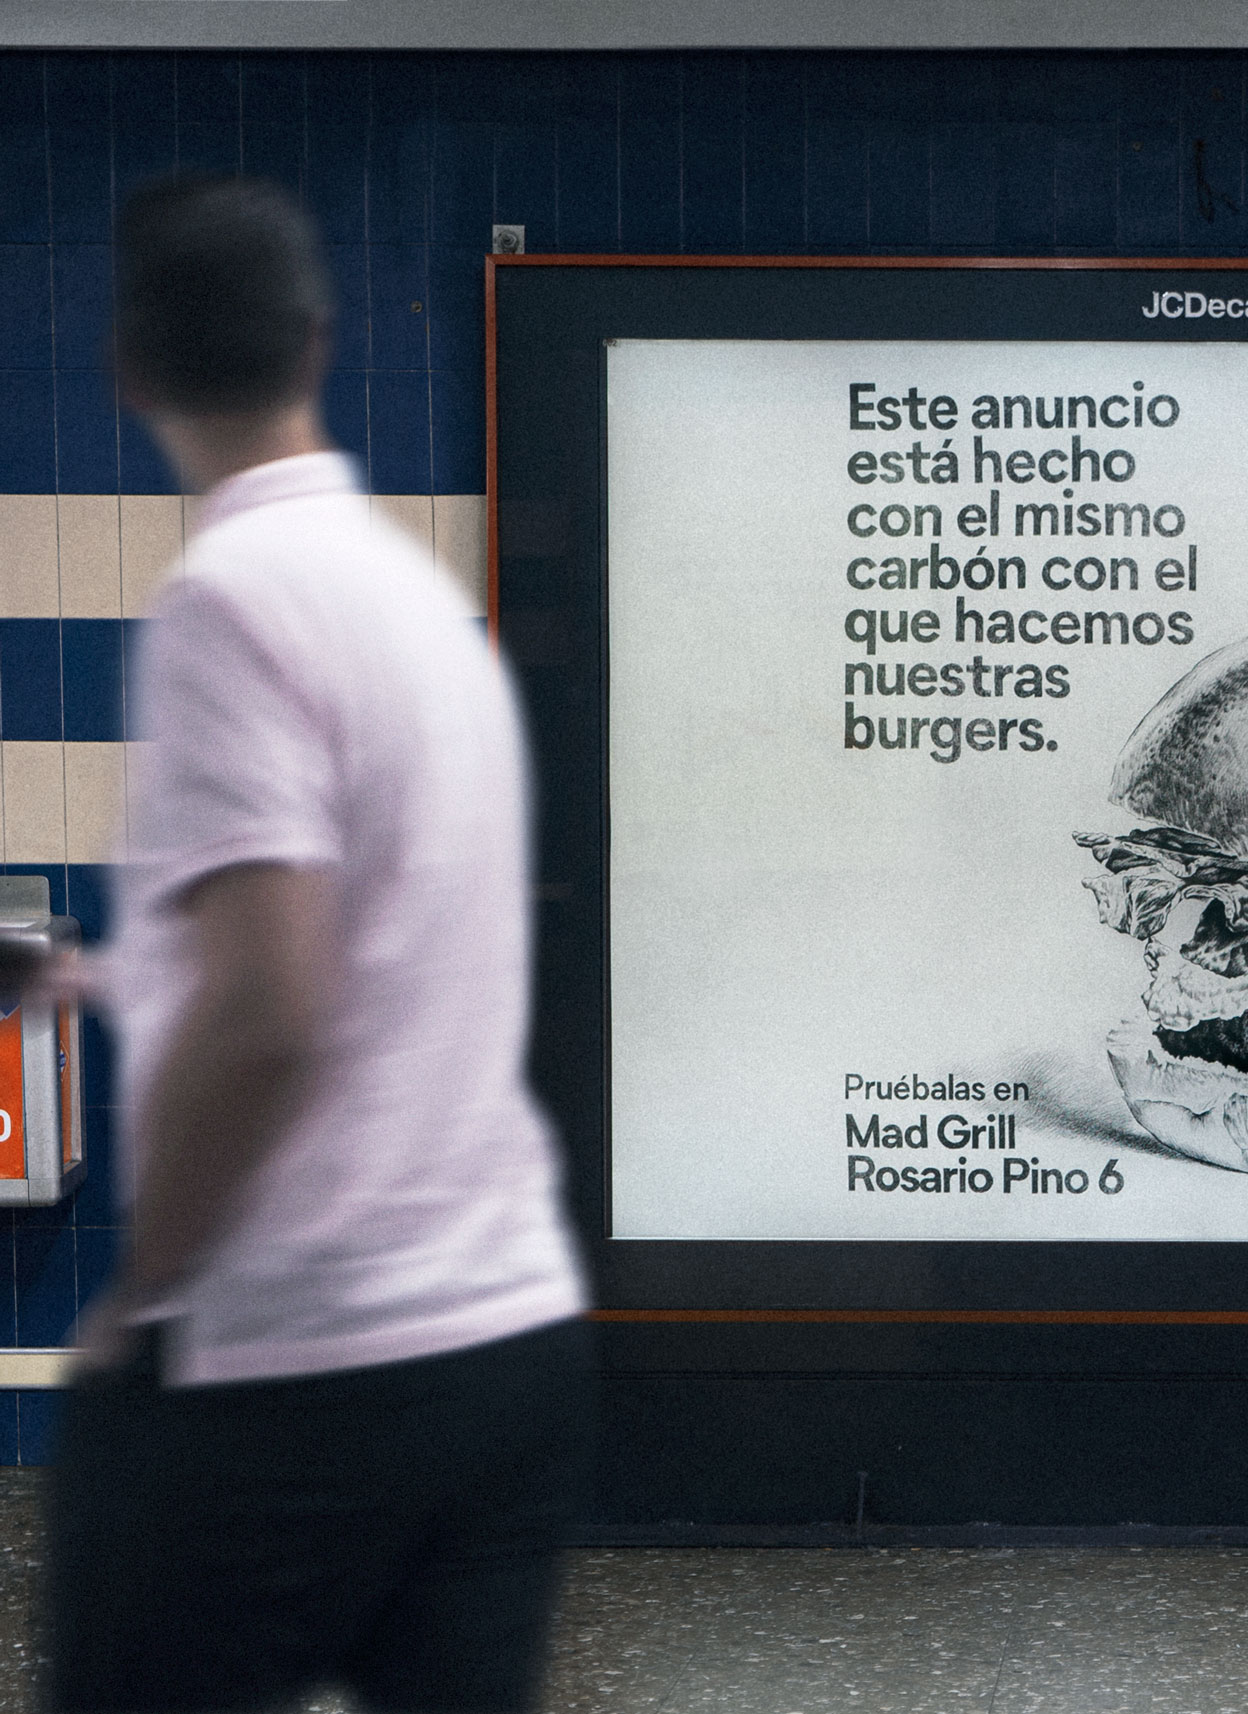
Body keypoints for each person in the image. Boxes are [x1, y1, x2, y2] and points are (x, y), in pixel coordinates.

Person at [39, 174, 591, 1713]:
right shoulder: (418, 610)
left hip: (296, 1361)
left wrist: (146, 1292)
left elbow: (277, 1008)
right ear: (320, 343)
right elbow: (385, 956)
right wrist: (103, 976)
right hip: (503, 1345)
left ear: (128, 368)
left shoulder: (230, 599)